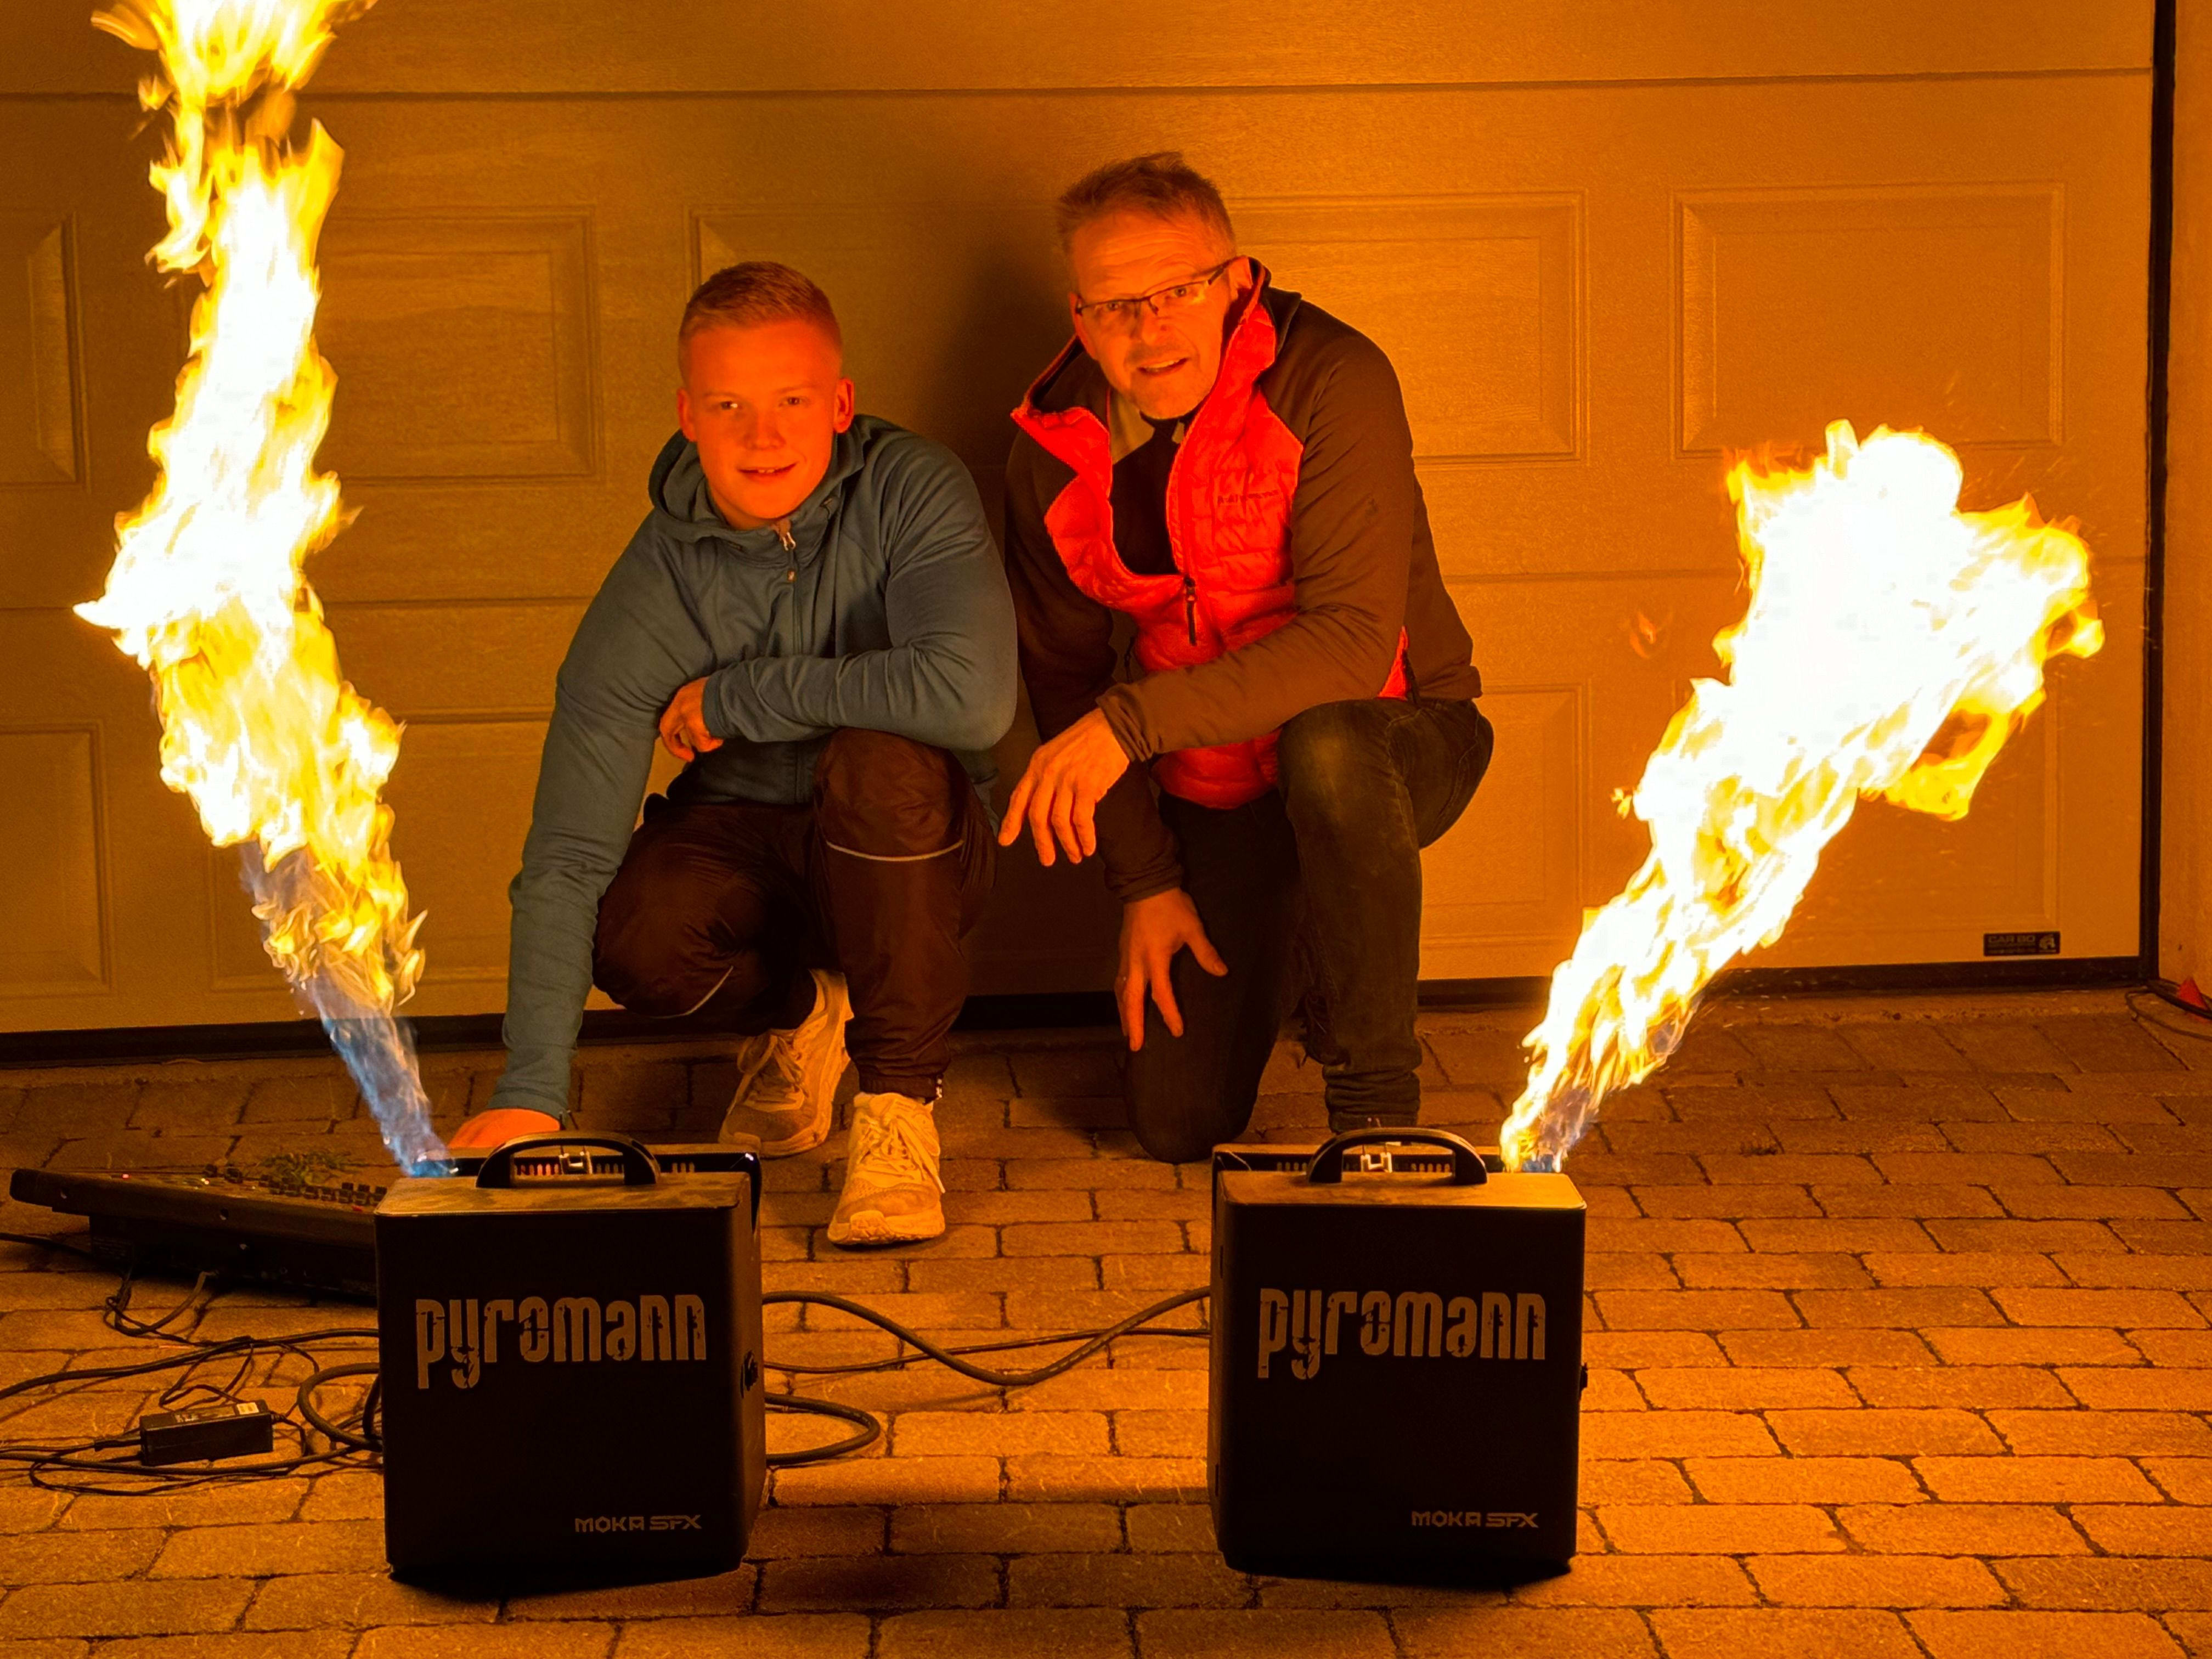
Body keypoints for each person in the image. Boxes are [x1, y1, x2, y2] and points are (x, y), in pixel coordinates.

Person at [453, 261, 1019, 1247]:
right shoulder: (660, 577)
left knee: (882, 759)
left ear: (839, 404)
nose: (764, 437)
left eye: (792, 400)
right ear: (689, 417)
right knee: (635, 937)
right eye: (730, 406)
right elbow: (569, 852)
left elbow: (970, 698)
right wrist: (530, 1094)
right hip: (748, 837)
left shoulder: (910, 489)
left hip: (912, 851)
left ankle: (896, 1110)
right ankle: (802, 1017)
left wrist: (744, 693)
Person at [1001, 153, 1494, 1163]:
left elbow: (1352, 645)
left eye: (1180, 291)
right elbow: (1061, 675)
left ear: (1235, 284)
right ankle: (1301, 933)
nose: (1151, 329)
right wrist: (1146, 883)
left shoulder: (1333, 378)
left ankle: (1375, 1117)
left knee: (1328, 750)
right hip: (1217, 783)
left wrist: (1129, 724)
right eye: (1118, 305)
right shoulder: (1050, 452)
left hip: (1394, 734)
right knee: (1176, 1121)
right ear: (1081, 319)